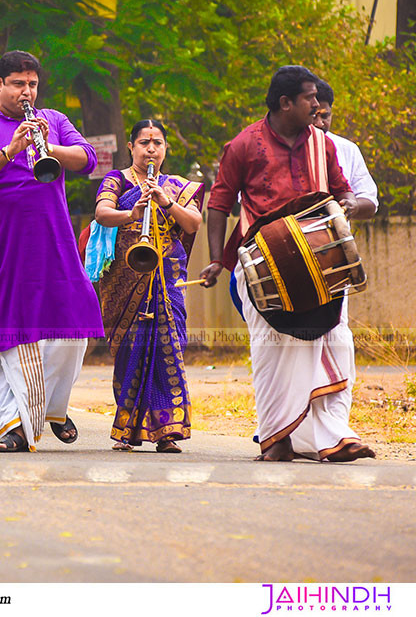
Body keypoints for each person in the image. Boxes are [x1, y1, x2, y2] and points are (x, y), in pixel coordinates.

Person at [199, 65, 374, 462]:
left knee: (334, 344)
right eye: (310, 98)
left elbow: (342, 190)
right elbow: (219, 203)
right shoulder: (244, 145)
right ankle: (276, 437)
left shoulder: (322, 144)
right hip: (261, 265)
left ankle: (332, 437)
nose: (317, 104)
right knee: (272, 351)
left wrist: (346, 202)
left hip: (320, 263)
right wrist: (214, 259)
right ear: (285, 103)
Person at [0, 50, 104, 453]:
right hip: (7, 247)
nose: (27, 91)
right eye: (19, 83)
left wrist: (47, 145)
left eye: (33, 84)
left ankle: (52, 407)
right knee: (10, 335)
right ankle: (13, 426)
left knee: (75, 324)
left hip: (55, 242)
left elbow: (87, 158)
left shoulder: (52, 120)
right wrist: (10, 150)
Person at [86, 120, 204, 453]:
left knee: (169, 348)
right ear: (132, 147)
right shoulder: (118, 179)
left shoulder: (179, 186)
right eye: (143, 142)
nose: (150, 148)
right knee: (129, 352)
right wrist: (131, 213)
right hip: (125, 281)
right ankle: (128, 430)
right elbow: (102, 213)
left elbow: (193, 222)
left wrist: (166, 202)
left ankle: (167, 431)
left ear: (166, 147)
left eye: (157, 142)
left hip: (167, 282)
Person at [312, 79, 378, 219]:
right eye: (313, 116)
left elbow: (370, 201)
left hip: (337, 237)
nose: (319, 123)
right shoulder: (286, 147)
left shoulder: (346, 149)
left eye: (325, 116)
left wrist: (353, 205)